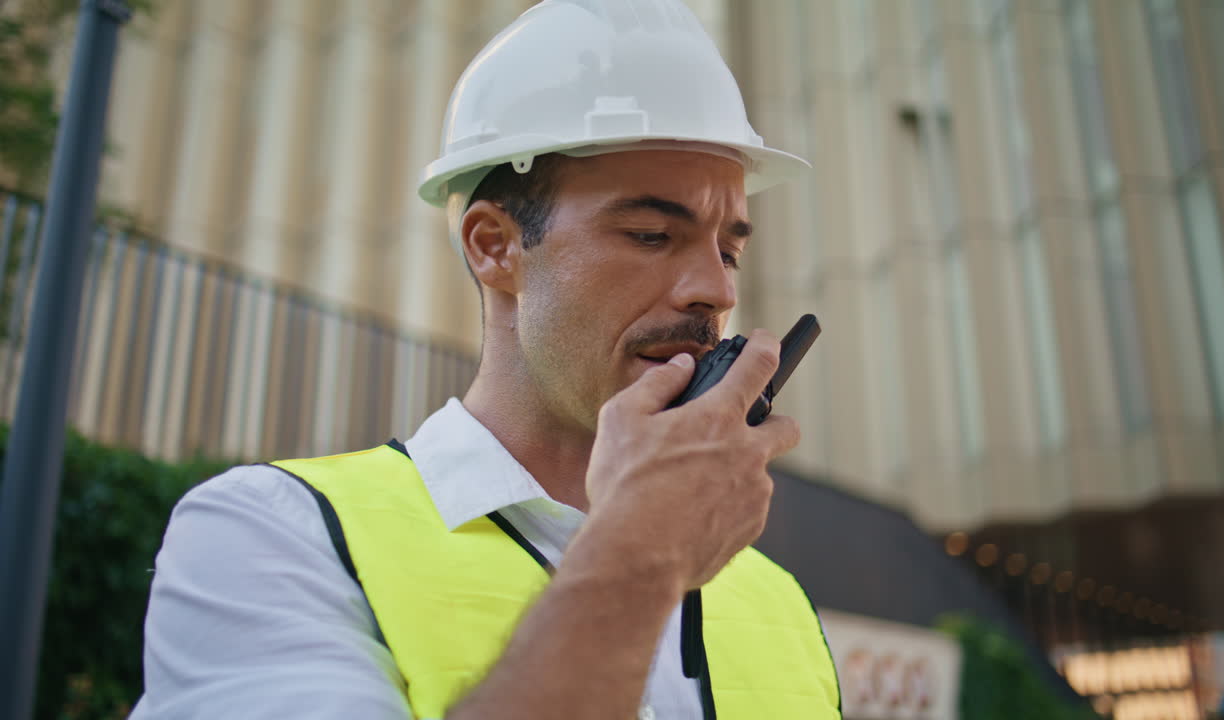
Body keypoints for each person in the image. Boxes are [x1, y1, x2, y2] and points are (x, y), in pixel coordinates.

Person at [131, 1, 841, 718]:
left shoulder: (780, 603)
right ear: (493, 245)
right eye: (652, 233)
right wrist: (641, 551)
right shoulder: (271, 535)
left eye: (730, 251)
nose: (715, 289)